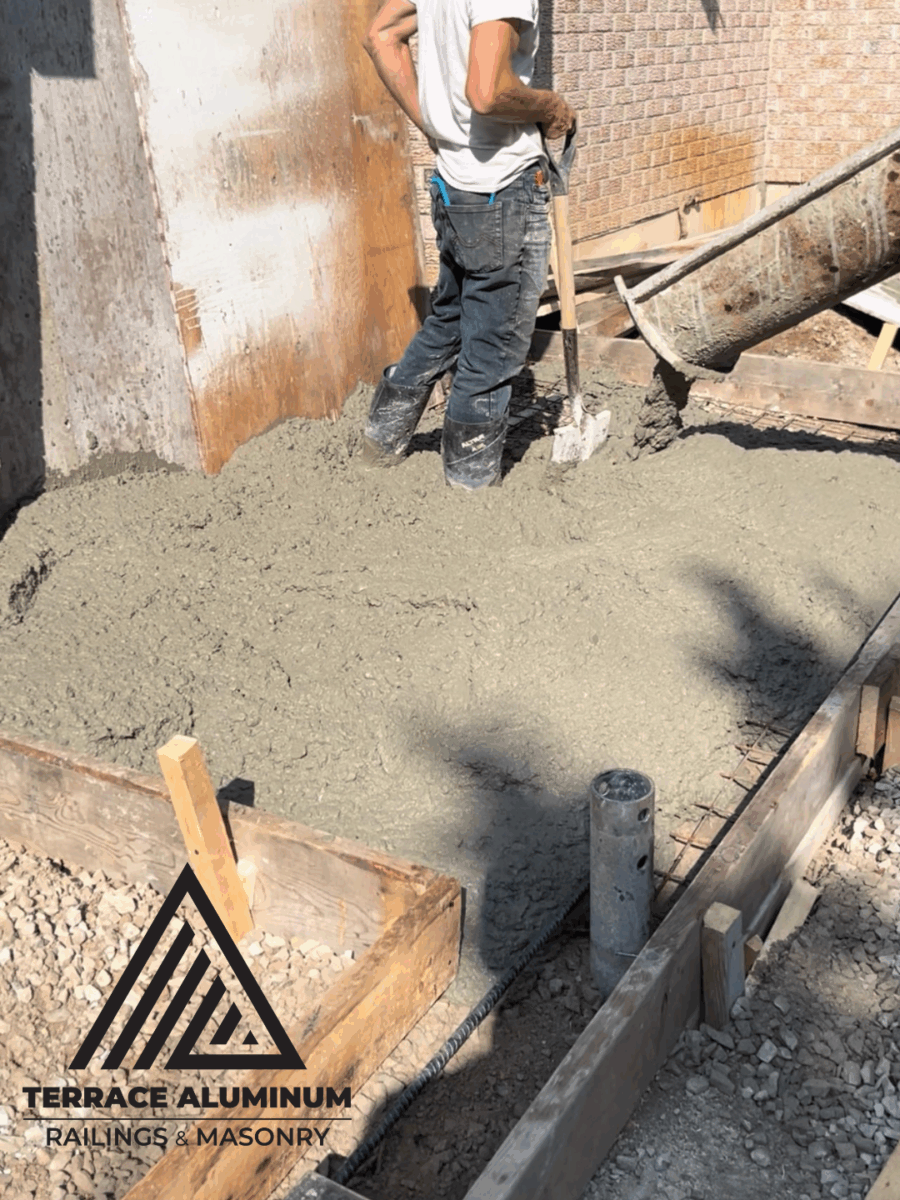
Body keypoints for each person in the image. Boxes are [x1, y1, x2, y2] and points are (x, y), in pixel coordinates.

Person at [361, 0, 575, 490]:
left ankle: (381, 441)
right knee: (493, 349)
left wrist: (439, 128)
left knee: (450, 318)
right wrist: (551, 106)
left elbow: (381, 34)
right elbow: (487, 92)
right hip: (501, 188)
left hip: (454, 184)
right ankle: (469, 484)